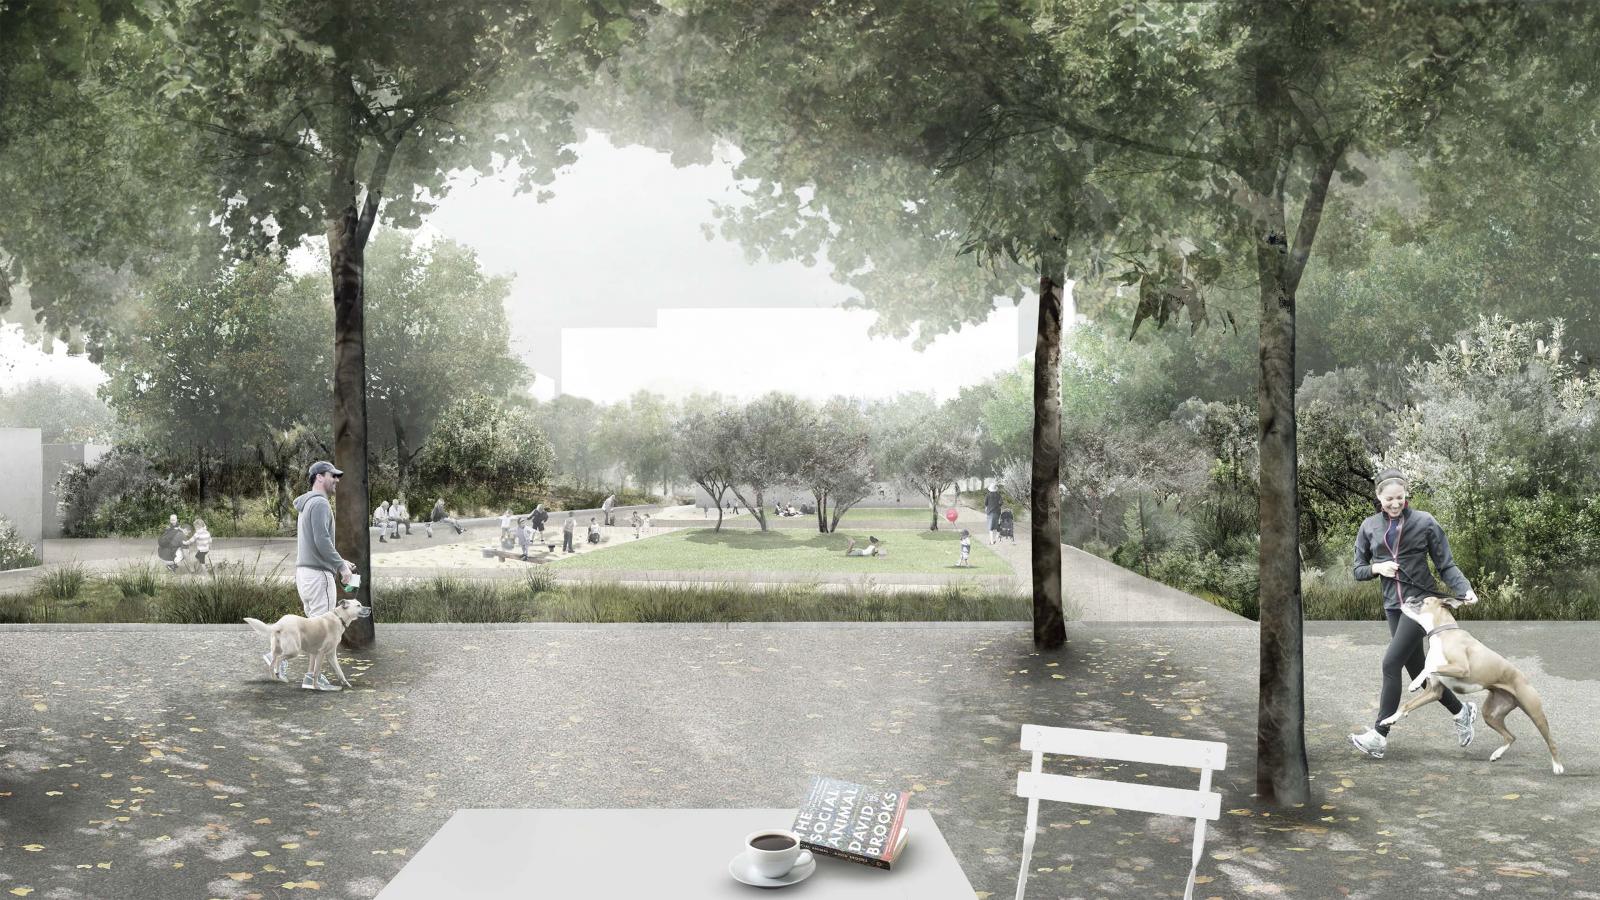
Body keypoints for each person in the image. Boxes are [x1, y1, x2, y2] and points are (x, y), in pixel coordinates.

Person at [1348, 467, 1479, 760]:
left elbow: (1446, 564)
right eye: (1389, 499)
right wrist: (1377, 568)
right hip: (1393, 607)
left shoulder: (1424, 522)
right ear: (1378, 497)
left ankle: (1379, 735)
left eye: (1400, 498)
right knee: (1417, 669)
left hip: (1422, 604)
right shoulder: (1369, 527)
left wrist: (1464, 588)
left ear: (1406, 495)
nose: (1395, 504)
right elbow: (1357, 569)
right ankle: (1462, 712)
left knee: (1390, 664)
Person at [291, 460, 356, 691]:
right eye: (333, 475)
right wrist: (341, 567)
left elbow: (316, 544)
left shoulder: (306, 504)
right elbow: (322, 541)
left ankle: (310, 676)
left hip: (305, 573)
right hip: (319, 576)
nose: (336, 480)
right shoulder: (320, 504)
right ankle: (313, 678)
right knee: (322, 630)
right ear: (319, 477)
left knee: (312, 628)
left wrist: (340, 560)